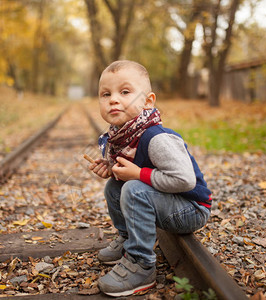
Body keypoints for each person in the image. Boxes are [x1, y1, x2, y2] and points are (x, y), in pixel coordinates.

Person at [87, 60, 212, 297]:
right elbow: (131, 171)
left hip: (191, 208)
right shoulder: (120, 137)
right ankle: (127, 239)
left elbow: (186, 181)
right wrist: (110, 167)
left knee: (133, 188)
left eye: (125, 92)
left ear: (147, 101)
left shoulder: (157, 138)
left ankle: (141, 263)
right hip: (168, 199)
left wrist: (137, 174)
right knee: (115, 187)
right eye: (106, 94)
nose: (113, 99)